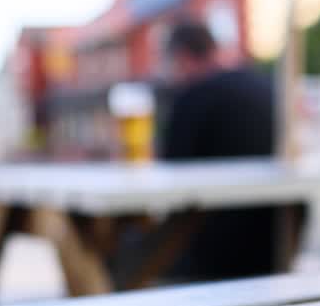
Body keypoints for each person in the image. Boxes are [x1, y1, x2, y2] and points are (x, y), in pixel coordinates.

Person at [113, 22, 280, 284]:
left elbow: (167, 179)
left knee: (116, 253)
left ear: (181, 58)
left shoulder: (193, 97)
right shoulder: (265, 86)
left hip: (210, 257)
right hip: (275, 248)